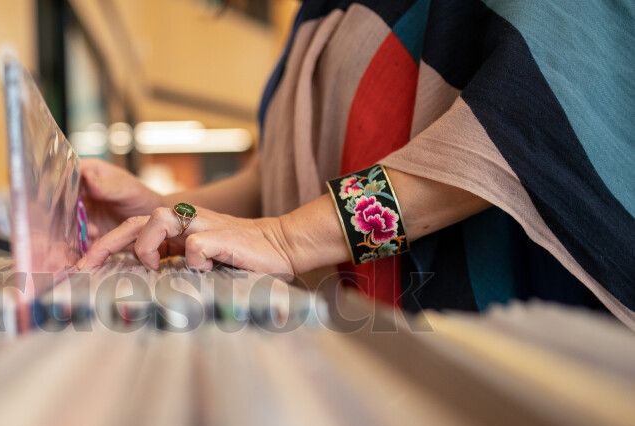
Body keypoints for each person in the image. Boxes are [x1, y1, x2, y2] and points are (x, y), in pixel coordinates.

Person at [75, 0, 635, 329]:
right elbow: (281, 177)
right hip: (368, 350)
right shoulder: (320, 9)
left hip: (503, 366)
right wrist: (167, 212)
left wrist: (291, 239)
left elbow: (522, 129)